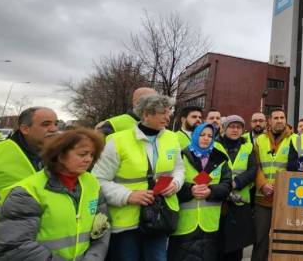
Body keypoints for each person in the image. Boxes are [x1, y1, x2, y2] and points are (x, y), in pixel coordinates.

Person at [0, 129, 110, 260]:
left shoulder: (92, 183)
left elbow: (102, 227)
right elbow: (14, 246)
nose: (88, 159)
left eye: (92, 155)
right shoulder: (28, 191)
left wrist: (93, 258)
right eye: (82, 154)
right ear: (60, 155)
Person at [93, 94, 185, 261]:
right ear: (146, 114)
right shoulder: (117, 140)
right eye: (162, 112)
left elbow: (179, 168)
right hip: (126, 221)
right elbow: (98, 180)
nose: (168, 116)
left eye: (169, 111)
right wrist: (128, 196)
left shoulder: (172, 138)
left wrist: (175, 183)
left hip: (160, 215)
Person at [0, 107, 59, 260]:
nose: (53, 129)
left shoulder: (61, 159)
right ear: (25, 128)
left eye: (56, 124)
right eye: (46, 124)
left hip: (39, 249)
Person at [168, 122, 231, 261]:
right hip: (184, 224)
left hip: (210, 223)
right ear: (195, 136)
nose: (206, 138)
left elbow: (227, 185)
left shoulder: (220, 159)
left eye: (210, 136)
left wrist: (211, 191)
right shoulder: (182, 155)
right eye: (202, 135)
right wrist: (190, 189)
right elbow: (172, 182)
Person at [251, 108, 294, 261]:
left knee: (284, 240)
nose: (279, 120)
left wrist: (279, 185)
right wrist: (262, 184)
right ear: (269, 121)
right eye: (275, 117)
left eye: (282, 117)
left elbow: (294, 167)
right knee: (260, 239)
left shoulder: (294, 139)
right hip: (262, 197)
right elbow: (254, 165)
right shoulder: (260, 140)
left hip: (285, 198)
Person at [218, 116, 256, 261]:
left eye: (238, 127)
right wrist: (224, 185)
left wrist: (237, 183)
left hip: (240, 202)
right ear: (225, 129)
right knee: (218, 245)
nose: (235, 130)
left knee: (236, 247)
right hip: (219, 202)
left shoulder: (248, 146)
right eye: (232, 126)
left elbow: (252, 170)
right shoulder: (215, 145)